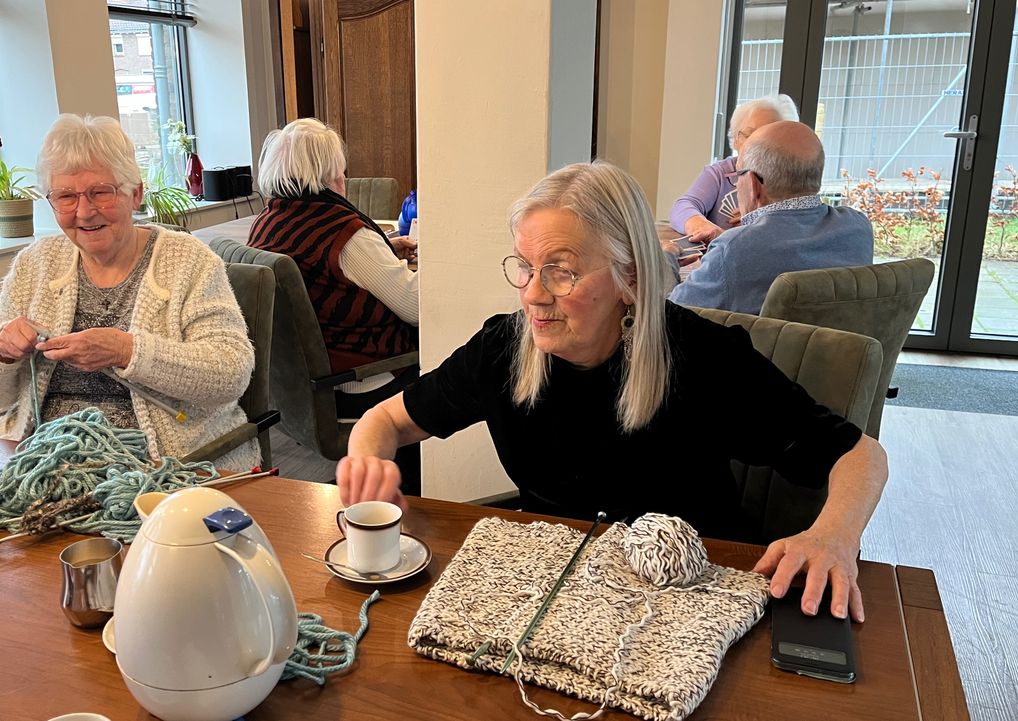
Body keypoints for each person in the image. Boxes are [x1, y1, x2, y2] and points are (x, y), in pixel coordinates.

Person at [336, 161, 888, 621]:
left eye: (561, 271)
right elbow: (385, 422)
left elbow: (860, 455)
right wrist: (367, 461)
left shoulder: (703, 359)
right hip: (554, 595)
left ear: (632, 280)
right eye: (525, 267)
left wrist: (832, 537)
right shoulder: (504, 349)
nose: (532, 295)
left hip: (688, 601)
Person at [0, 114, 258, 469]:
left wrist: (126, 351)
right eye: (66, 196)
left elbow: (230, 373)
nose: (84, 212)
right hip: (42, 458)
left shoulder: (187, 261)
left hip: (156, 465)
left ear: (136, 194)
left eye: (101, 192)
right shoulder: (36, 264)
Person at [248, 118, 419, 421]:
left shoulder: (266, 223)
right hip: (362, 382)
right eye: (340, 174)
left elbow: (319, 269)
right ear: (327, 177)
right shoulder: (345, 234)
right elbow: (418, 307)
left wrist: (384, 253)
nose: (343, 181)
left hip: (296, 390)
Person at [670, 121, 874, 314]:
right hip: (841, 350)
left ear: (752, 184)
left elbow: (670, 314)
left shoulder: (734, 249)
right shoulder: (858, 228)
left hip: (759, 352)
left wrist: (665, 263)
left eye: (737, 175)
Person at [670, 94, 799, 244]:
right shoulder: (719, 174)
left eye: (767, 137)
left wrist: (766, 217)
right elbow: (683, 206)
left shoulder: (794, 179)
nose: (755, 146)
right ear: (736, 140)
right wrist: (706, 228)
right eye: (749, 135)